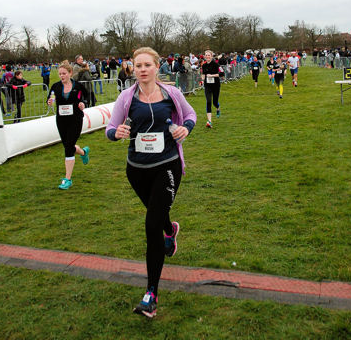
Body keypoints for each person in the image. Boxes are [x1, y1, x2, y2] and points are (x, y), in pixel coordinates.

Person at [106, 47, 196, 318]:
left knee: (151, 224)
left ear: (158, 67)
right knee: (158, 216)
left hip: (167, 166)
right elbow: (110, 128)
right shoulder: (126, 97)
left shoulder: (172, 94)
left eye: (147, 65)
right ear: (132, 69)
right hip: (136, 170)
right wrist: (116, 133)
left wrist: (185, 129)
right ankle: (171, 229)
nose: (142, 69)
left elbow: (190, 116)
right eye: (138, 65)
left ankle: (151, 294)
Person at [47, 60, 90, 190]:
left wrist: (83, 104)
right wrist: (50, 101)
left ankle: (68, 179)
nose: (62, 76)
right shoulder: (55, 86)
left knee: (68, 147)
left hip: (75, 119)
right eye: (60, 74)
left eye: (64, 73)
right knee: (68, 145)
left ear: (70, 73)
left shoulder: (78, 86)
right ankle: (83, 152)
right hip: (61, 120)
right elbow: (51, 98)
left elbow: (86, 97)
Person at [201, 49, 221, 128]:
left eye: (209, 55)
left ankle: (218, 107)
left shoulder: (216, 64)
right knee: (208, 101)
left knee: (214, 102)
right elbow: (203, 74)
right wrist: (202, 80)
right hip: (207, 86)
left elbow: (221, 74)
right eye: (206, 55)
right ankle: (209, 121)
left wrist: (212, 75)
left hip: (216, 85)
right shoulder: (204, 65)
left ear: (211, 56)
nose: (207, 56)